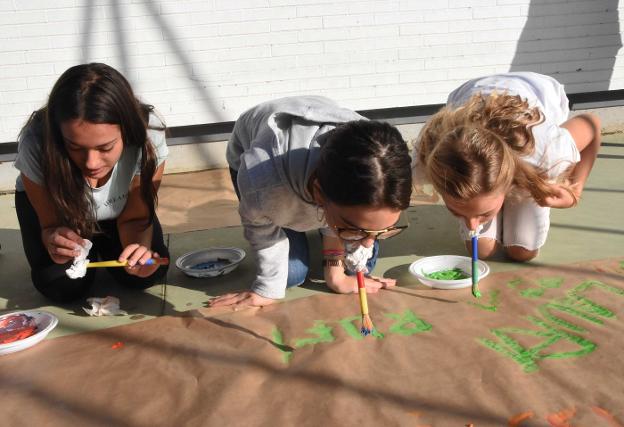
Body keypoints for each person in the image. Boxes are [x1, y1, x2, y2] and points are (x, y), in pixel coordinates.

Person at [210, 96, 412, 308]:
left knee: (360, 266)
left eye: (383, 230)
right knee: (291, 275)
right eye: (356, 228)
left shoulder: (383, 161)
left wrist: (336, 275)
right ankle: (305, 225)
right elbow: (261, 230)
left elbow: (342, 213)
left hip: (321, 178)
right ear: (319, 195)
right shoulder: (263, 182)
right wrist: (267, 288)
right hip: (255, 154)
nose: (369, 242)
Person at [14, 63, 170, 302]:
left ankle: (103, 246)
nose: (91, 163)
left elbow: (136, 218)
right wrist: (53, 238)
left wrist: (138, 252)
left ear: (127, 131)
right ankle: (95, 248)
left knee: (145, 274)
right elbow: (50, 226)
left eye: (105, 147)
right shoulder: (37, 142)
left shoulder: (148, 136)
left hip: (121, 213)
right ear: (58, 136)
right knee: (60, 286)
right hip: (63, 215)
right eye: (74, 147)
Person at [415, 72, 601, 261]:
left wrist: (574, 191)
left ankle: (488, 205)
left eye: (483, 213)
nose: (472, 226)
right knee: (481, 251)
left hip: (538, 91)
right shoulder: (428, 154)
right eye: (455, 211)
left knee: (522, 252)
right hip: (471, 95)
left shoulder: (547, 154)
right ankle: (484, 206)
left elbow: (592, 123)